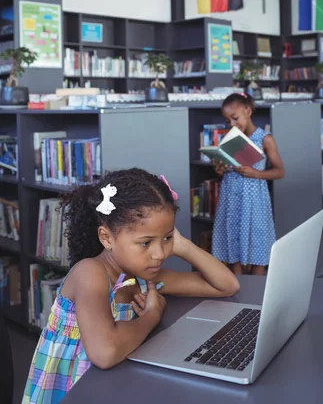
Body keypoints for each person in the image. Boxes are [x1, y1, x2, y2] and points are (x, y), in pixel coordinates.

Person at [23, 168, 239, 404]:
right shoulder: (90, 273)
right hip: (75, 393)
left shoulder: (143, 278)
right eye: (145, 243)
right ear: (106, 238)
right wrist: (152, 315)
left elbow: (226, 285)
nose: (159, 254)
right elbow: (105, 353)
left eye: (166, 239)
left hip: (116, 386)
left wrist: (182, 245)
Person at [212, 93, 285, 276]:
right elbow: (223, 169)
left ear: (248, 111)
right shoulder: (229, 139)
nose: (232, 124)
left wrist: (256, 173)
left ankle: (257, 297)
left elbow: (279, 171)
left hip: (254, 202)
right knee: (232, 248)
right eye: (227, 120)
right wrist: (219, 169)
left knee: (257, 248)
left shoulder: (264, 139)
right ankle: (238, 293)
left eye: (235, 118)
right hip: (231, 200)